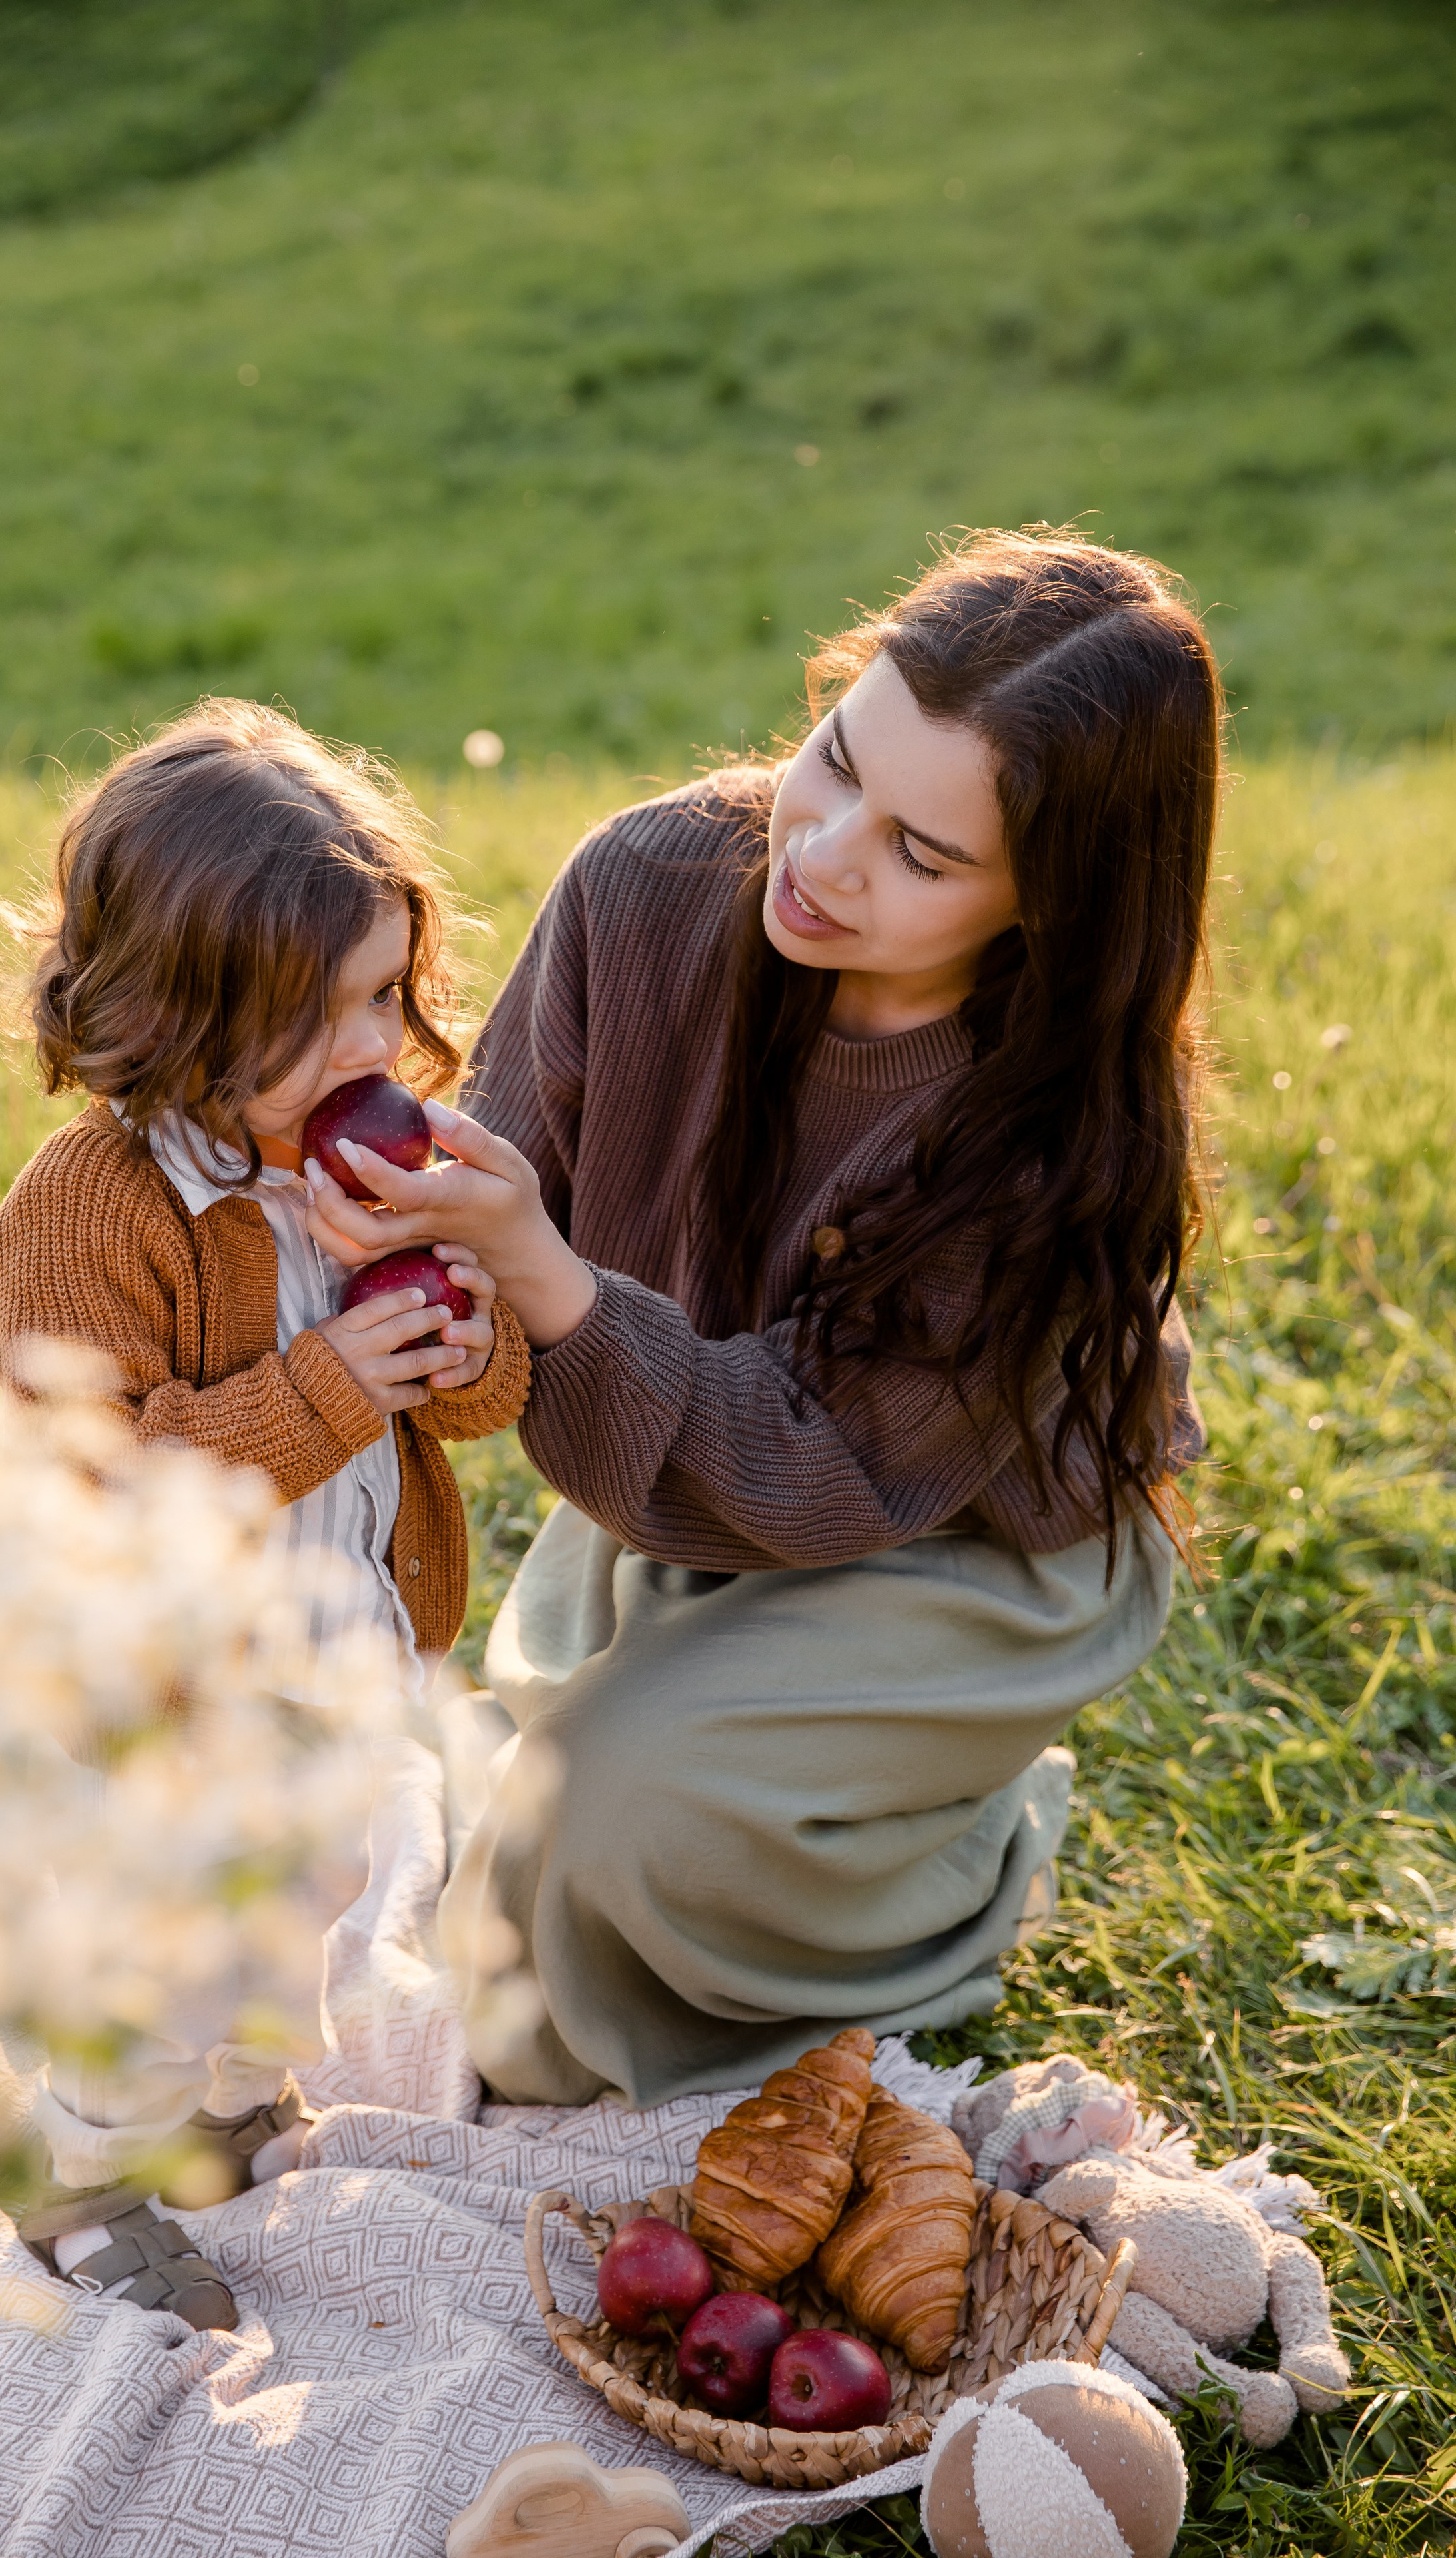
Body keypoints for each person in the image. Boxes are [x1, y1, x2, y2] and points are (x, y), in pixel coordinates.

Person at [303, 529, 1214, 2110]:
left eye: (924, 855)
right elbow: (472, 1233)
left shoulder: (1052, 1136)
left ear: (1048, 910)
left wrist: (542, 1270)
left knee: (578, 1867)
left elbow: (817, 1474)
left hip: (969, 1547)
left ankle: (950, 1880)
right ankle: (801, 1799)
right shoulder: (647, 885)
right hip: (697, 1472)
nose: (828, 852)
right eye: (836, 757)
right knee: (483, 1862)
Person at [0, 699, 528, 2321]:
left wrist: (457, 1329)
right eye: (324, 1015)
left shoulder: (348, 1169)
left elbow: (477, 1414)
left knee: (315, 1899)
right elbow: (106, 1491)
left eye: (384, 994)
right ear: (181, 1018)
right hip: (164, 1698)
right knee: (160, 1946)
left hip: (333, 1658)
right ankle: (78, 2174)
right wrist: (337, 1379)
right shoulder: (84, 1216)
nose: (374, 1048)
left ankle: (217, 2104)